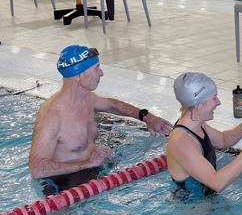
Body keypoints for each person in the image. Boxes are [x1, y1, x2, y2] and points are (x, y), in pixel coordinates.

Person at [29, 45, 173, 195]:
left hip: (91, 169)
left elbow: (113, 105)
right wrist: (87, 163)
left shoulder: (85, 97)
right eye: (96, 68)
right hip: (64, 185)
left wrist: (147, 117)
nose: (101, 73)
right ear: (78, 75)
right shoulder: (52, 115)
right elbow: (37, 168)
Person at [166, 72, 242, 197]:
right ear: (199, 104)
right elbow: (217, 183)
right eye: (214, 98)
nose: (218, 102)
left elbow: (223, 140)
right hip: (193, 207)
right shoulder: (181, 142)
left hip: (206, 200)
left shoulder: (196, 124)